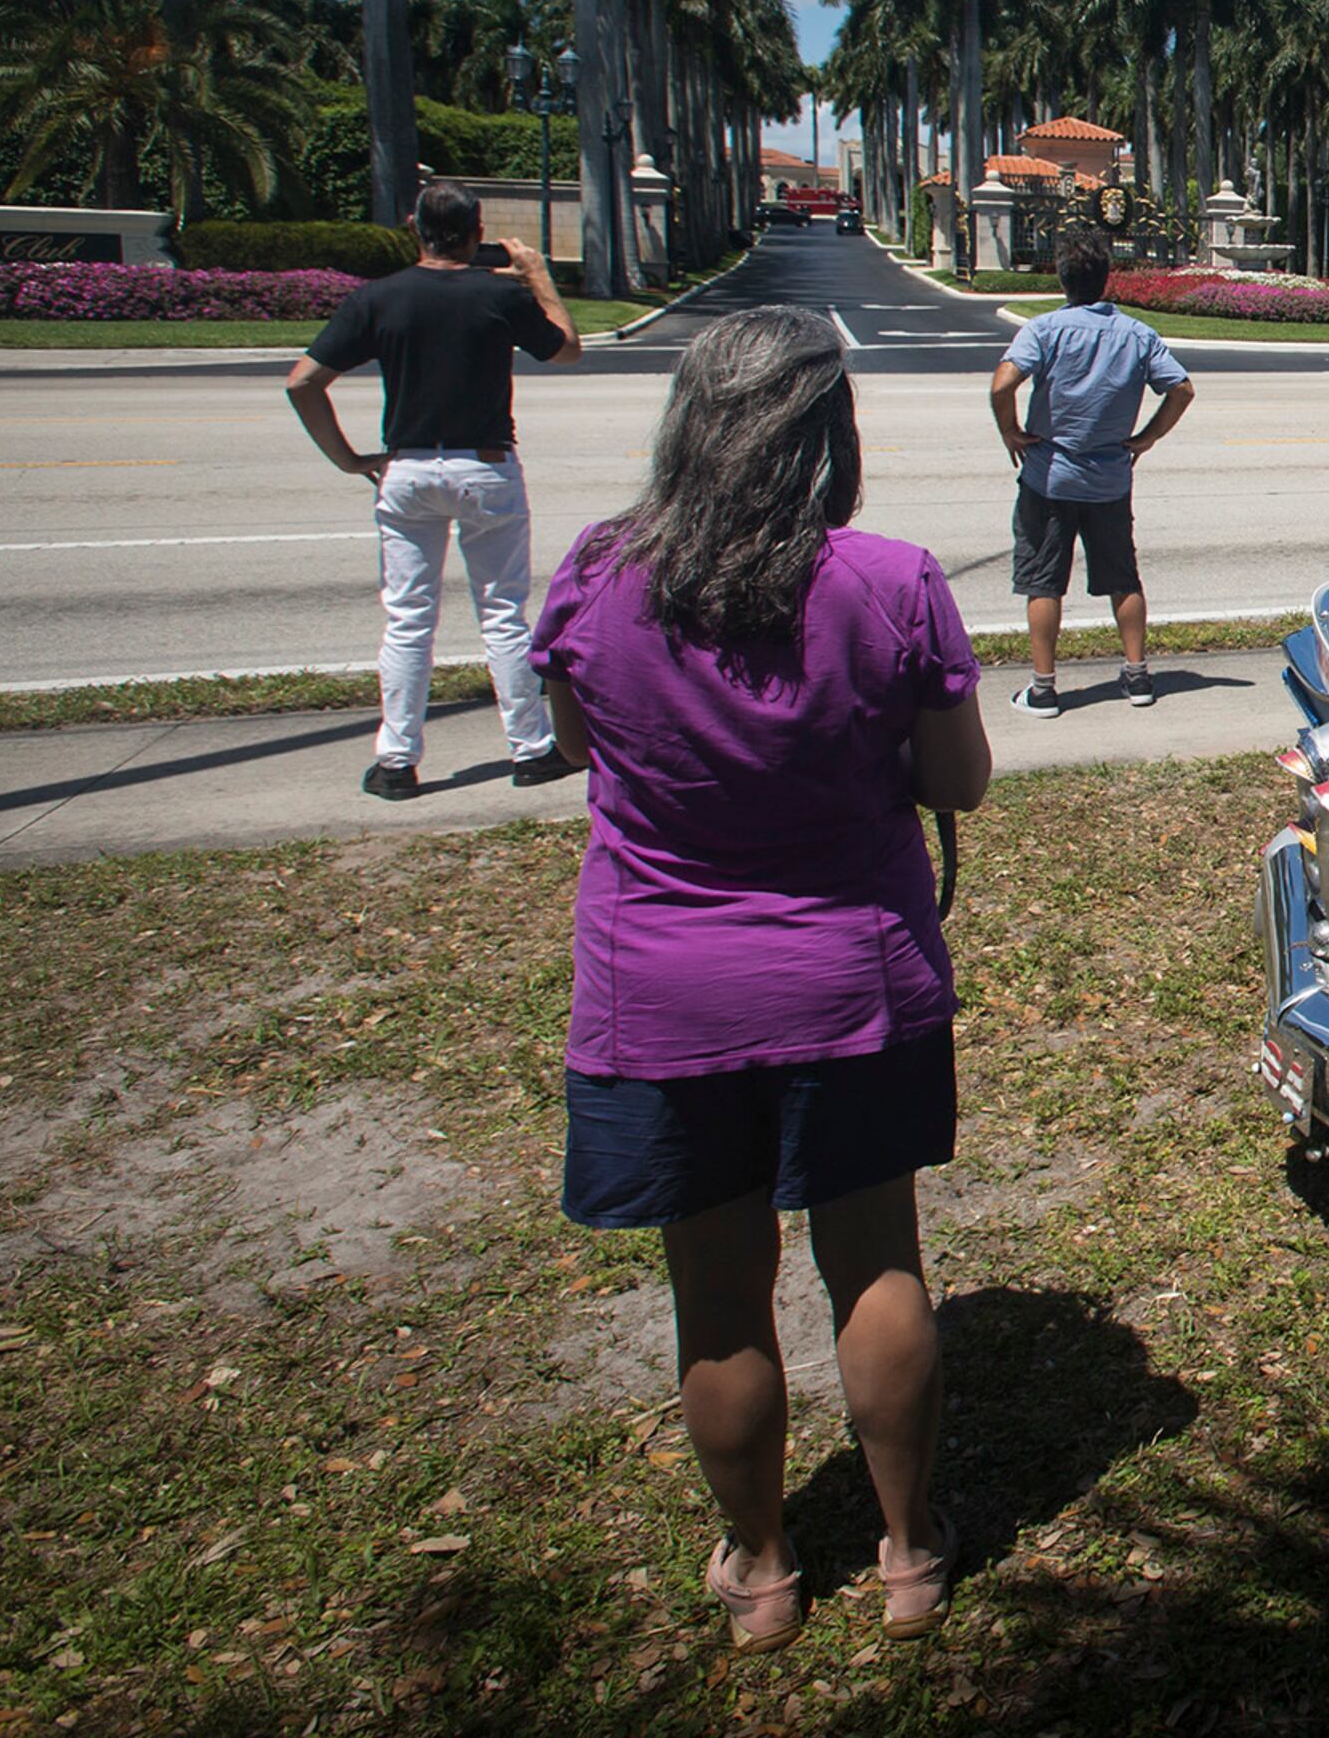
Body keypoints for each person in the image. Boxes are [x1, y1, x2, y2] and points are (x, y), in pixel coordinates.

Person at [528, 308, 993, 1656]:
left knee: (718, 1294)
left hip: (661, 994)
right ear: (825, 436)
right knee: (877, 1261)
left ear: (689, 424)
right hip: (853, 982)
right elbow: (955, 779)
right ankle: (909, 1555)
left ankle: (767, 1568)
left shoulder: (598, 573)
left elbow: (575, 741)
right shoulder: (893, 580)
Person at [285, 179, 583, 799]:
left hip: (409, 469)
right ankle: (529, 750)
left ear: (414, 229)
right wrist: (536, 273)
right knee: (501, 614)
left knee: (408, 619)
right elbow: (567, 350)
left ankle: (396, 761)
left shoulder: (379, 298)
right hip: (486, 466)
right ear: (477, 233)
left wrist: (347, 459)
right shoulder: (498, 294)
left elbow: (303, 383)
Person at [989, 235, 1194, 715]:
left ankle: (1043, 689)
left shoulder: (1043, 330)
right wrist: (1147, 438)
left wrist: (1011, 432)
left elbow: (1002, 385)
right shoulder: (1137, 334)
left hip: (1048, 477)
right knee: (1124, 578)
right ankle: (1138, 678)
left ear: (1062, 280)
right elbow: (1181, 390)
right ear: (1106, 280)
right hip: (1109, 482)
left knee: (1043, 582)